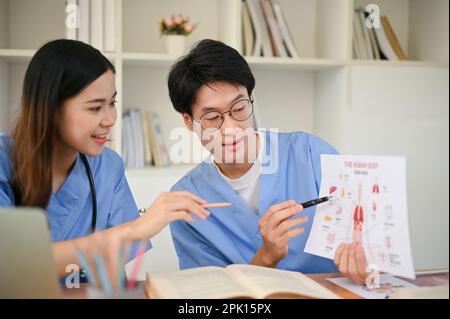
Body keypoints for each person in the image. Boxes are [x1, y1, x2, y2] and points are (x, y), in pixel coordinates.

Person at [0, 39, 210, 287]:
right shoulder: (5, 161)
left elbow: (116, 267)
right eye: (95, 108)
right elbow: (11, 262)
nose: (110, 119)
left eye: (112, 103)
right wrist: (132, 230)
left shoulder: (109, 167)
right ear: (50, 108)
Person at [167, 39, 368, 285]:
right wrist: (267, 257)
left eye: (239, 109)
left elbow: (371, 232)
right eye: (212, 117)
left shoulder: (310, 154)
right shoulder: (185, 201)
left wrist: (366, 263)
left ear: (251, 100)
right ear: (189, 122)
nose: (230, 128)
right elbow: (210, 295)